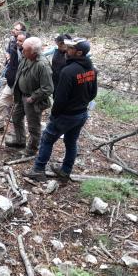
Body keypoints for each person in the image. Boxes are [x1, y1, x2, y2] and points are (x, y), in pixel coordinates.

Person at [24, 38, 97, 182]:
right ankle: (65, 171)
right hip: (81, 113)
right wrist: (81, 103)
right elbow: (93, 93)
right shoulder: (92, 69)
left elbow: (60, 98)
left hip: (66, 115)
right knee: (71, 142)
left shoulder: (68, 71)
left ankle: (38, 170)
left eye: (70, 49)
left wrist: (55, 114)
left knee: (47, 139)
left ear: (79, 53)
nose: (66, 50)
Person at [10, 37, 53, 155]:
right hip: (21, 95)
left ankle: (32, 148)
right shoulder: (26, 57)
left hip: (32, 100)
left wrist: (33, 97)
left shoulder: (42, 65)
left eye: (25, 49)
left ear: (34, 52)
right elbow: (20, 73)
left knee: (33, 126)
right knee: (16, 117)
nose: (22, 51)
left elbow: (48, 88)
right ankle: (20, 140)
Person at [0, 32, 27, 132]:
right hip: (11, 83)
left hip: (22, 86)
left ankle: (19, 135)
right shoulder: (14, 49)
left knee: (19, 112)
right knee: (0, 104)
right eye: (17, 40)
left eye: (20, 41)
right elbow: (12, 67)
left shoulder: (29, 54)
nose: (18, 42)